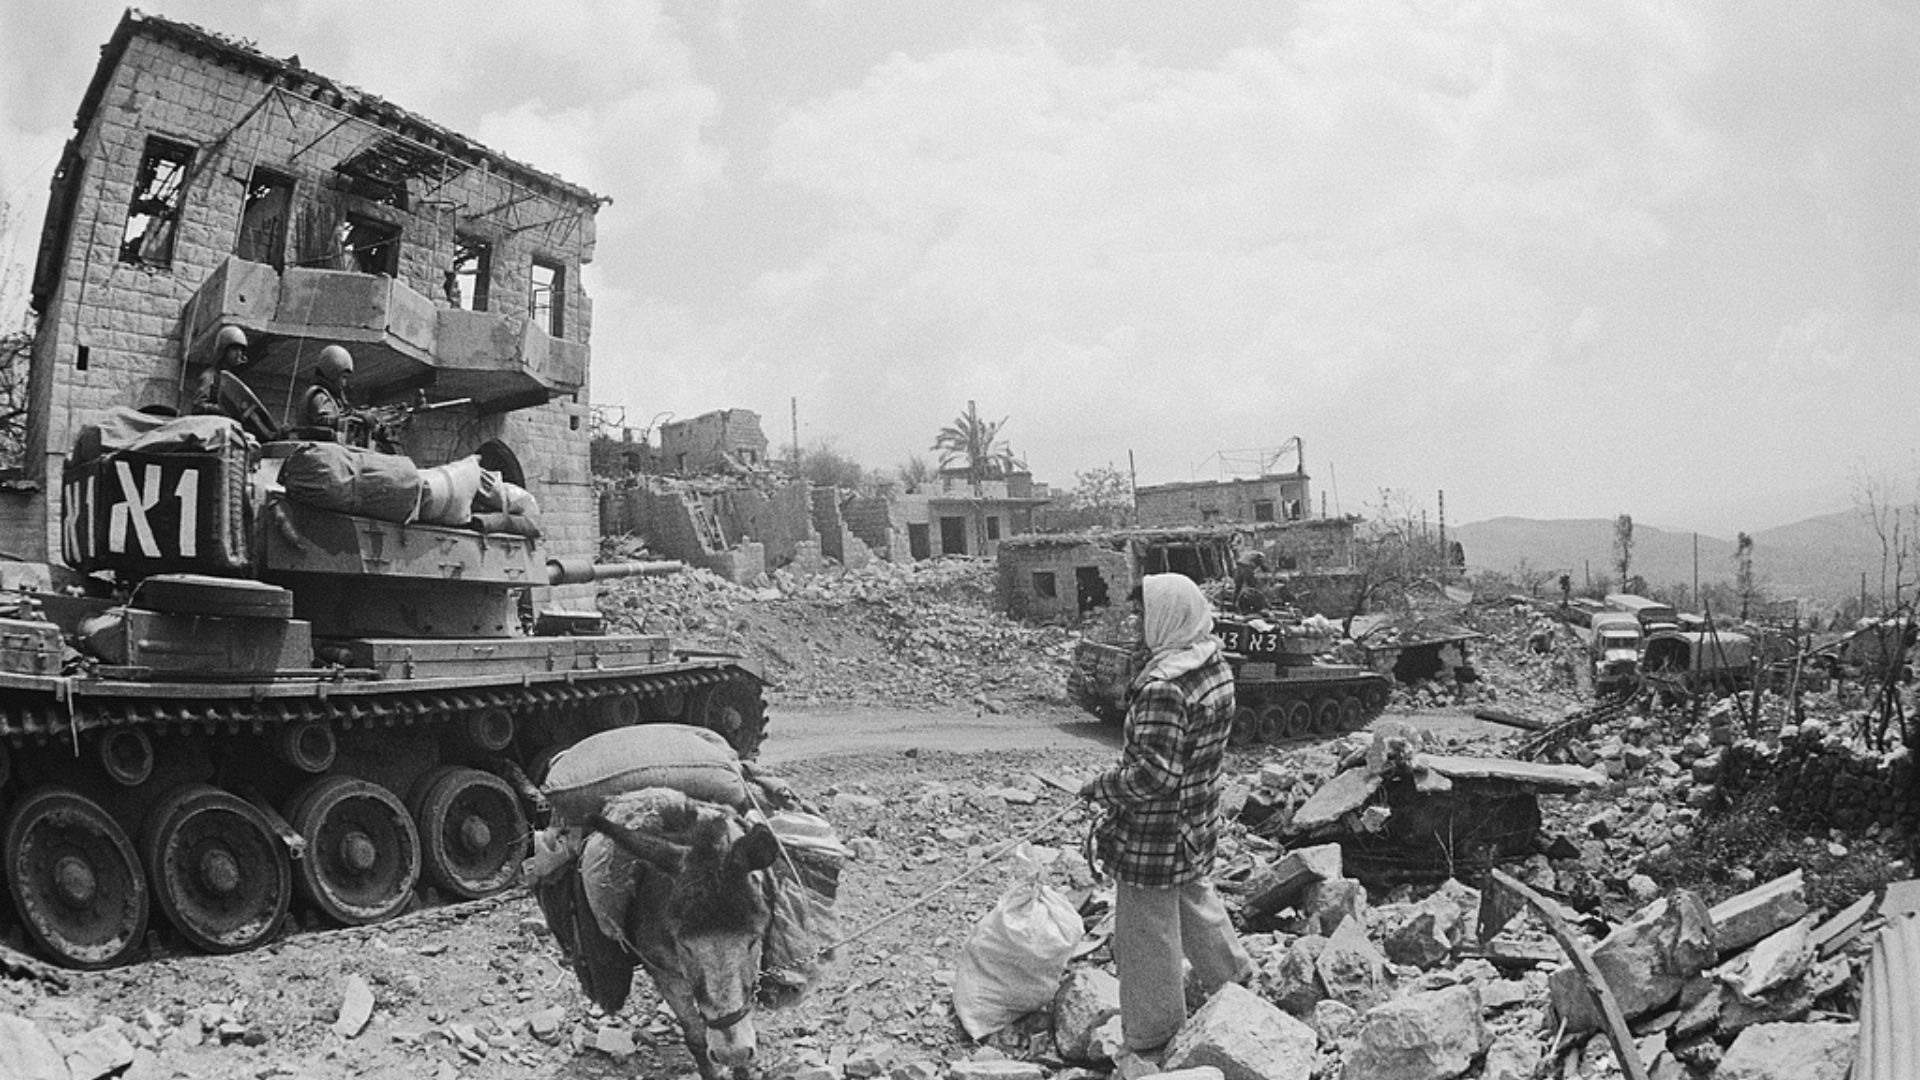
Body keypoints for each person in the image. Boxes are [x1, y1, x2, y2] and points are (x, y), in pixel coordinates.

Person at [1079, 574, 1252, 1058]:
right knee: (1194, 894)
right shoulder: (1211, 662)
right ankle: (1232, 980)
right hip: (1196, 819)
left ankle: (1154, 1035)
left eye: (1143, 614)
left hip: (1154, 835)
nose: (1135, 625)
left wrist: (1102, 787)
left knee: (1145, 934)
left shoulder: (1163, 687)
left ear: (1167, 617)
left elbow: (1154, 777)